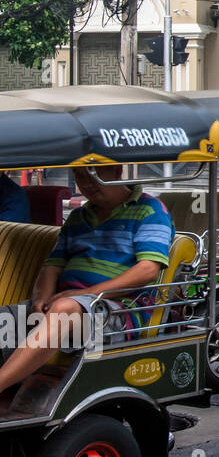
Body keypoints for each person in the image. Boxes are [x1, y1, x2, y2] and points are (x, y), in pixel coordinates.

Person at [0, 164, 174, 400]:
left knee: (64, 310)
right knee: (6, 317)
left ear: (117, 172)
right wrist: (41, 298)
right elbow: (52, 265)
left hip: (118, 312)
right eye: (80, 177)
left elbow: (147, 270)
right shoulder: (79, 216)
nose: (87, 184)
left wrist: (86, 294)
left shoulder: (150, 209)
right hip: (69, 303)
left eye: (93, 175)